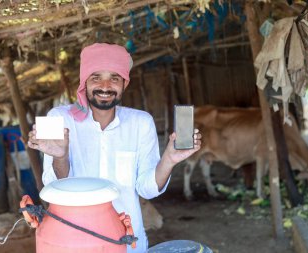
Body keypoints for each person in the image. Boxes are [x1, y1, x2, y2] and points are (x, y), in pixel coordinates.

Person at [27, 43, 202, 253]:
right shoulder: (60, 118)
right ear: (84, 82)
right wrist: (61, 157)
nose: (105, 85)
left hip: (128, 242)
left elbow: (146, 188)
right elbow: (53, 187)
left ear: (124, 84)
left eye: (115, 78)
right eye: (96, 77)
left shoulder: (141, 122)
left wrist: (169, 160)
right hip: (73, 241)